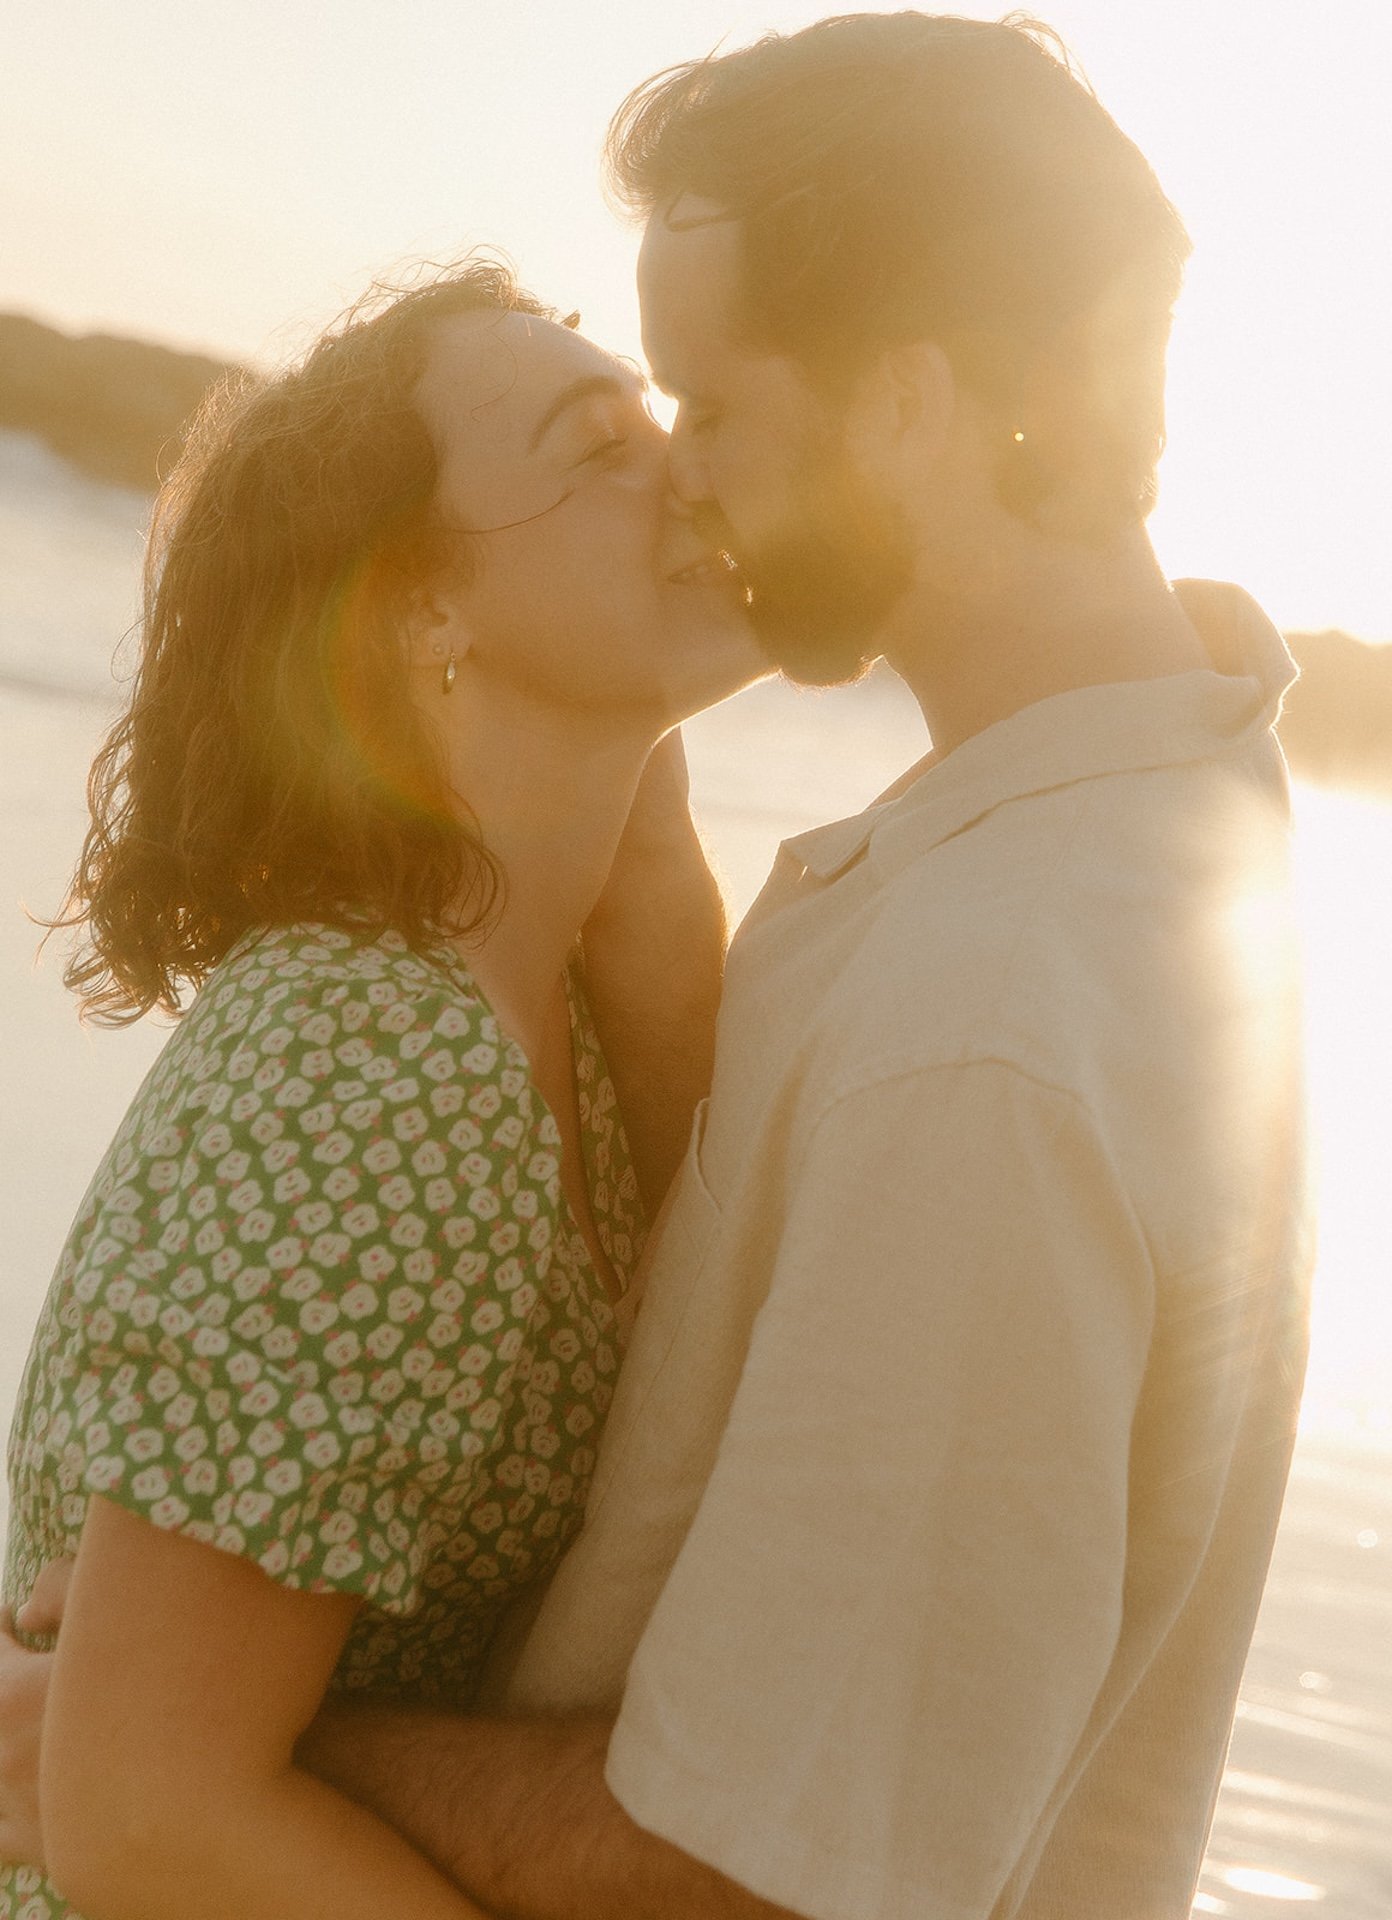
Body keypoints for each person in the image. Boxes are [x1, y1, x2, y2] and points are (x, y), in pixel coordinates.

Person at [1, 14, 1312, 1920]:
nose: (689, 478)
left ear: (910, 410)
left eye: (704, 405)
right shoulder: (1117, 857)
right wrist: (667, 961)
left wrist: (167, 1738)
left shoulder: (989, 1030)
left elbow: (747, 1877)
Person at [0, 258, 761, 1919]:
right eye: (596, 439)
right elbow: (148, 1827)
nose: (687, 465)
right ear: (426, 609)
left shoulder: (531, 1003)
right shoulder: (382, 1065)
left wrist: (641, 844)